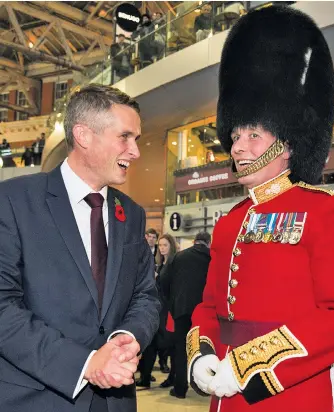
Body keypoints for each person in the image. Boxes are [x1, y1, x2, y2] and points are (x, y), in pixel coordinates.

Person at [187, 6, 334, 412]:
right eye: (235, 135)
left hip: (292, 392)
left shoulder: (327, 212)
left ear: (287, 145)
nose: (238, 148)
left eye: (253, 136)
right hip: (225, 393)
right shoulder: (229, 221)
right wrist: (202, 354)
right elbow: (209, 305)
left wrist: (250, 365)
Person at [0, 84, 160, 412]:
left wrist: (127, 338)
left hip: (114, 402)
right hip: (36, 399)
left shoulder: (131, 214)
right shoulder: (13, 202)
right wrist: (85, 364)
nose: (135, 152)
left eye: (137, 140)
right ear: (84, 136)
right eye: (125, 137)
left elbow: (146, 296)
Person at [160, 231, 211, 399]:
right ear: (208, 243)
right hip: (206, 311)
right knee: (205, 347)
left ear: (195, 241)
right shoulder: (212, 258)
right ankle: (205, 387)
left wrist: (172, 301)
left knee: (181, 349)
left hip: (181, 310)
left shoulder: (180, 256)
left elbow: (163, 280)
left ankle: (180, 389)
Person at [136, 233, 177, 388]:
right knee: (151, 343)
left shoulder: (173, 263)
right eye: (160, 245)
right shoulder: (159, 263)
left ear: (171, 246)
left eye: (165, 245)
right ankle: (145, 377)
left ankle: (170, 377)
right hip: (156, 307)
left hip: (167, 309)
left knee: (167, 345)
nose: (162, 248)